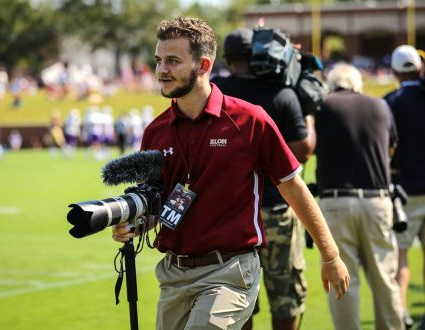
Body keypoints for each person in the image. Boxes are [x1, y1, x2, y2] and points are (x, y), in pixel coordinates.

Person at [112, 16, 349, 330]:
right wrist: (134, 224)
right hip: (173, 274)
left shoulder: (250, 120)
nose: (161, 71)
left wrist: (330, 255)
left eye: (172, 61)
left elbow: (293, 187)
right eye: (158, 61)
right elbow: (157, 206)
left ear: (203, 64)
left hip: (230, 271)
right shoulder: (155, 131)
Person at [212, 28, 316, 330]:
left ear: (228, 59)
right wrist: (309, 111)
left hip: (231, 215)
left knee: (239, 298)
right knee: (285, 296)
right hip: (277, 209)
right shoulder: (282, 93)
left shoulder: (216, 92)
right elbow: (303, 150)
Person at [315, 62, 403, 330]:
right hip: (377, 200)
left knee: (343, 281)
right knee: (385, 279)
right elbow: (391, 149)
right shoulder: (380, 105)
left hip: (336, 200)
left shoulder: (323, 105)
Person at [384, 45, 425, 330]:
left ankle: (400, 315)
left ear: (396, 71)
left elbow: (386, 148)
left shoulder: (390, 102)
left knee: (400, 255)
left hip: (405, 190)